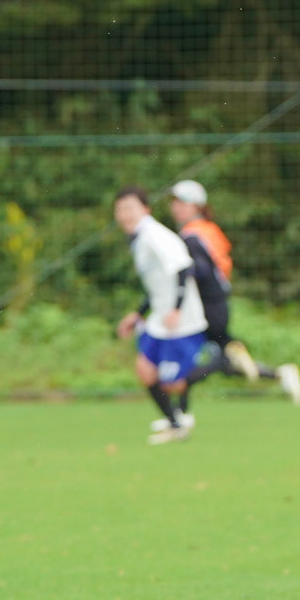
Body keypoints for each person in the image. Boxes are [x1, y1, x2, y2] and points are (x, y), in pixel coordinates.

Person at [168, 180, 300, 407]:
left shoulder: (192, 236)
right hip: (217, 302)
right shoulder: (208, 230)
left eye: (182, 203)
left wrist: (181, 276)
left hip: (207, 305)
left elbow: (202, 270)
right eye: (174, 203)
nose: (175, 208)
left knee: (201, 358)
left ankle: (179, 412)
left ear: (196, 206)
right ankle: (278, 374)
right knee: (223, 360)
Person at [113, 186, 208, 445]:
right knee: (145, 370)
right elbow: (157, 284)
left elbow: (183, 268)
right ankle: (175, 424)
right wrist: (138, 314)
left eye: (130, 208)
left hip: (180, 319)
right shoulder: (139, 238)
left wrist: (176, 308)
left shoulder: (154, 234)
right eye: (120, 209)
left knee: (174, 383)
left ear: (146, 209)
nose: (124, 214)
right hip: (159, 317)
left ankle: (223, 362)